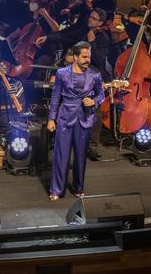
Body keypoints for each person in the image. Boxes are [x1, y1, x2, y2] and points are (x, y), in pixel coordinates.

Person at [47, 41, 104, 201]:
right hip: (65, 117)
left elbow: (101, 94)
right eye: (84, 57)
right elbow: (55, 97)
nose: (88, 60)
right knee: (61, 156)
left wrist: (94, 102)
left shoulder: (95, 75)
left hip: (84, 118)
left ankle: (79, 187)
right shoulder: (62, 73)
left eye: (89, 57)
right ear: (75, 57)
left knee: (80, 157)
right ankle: (57, 190)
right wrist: (52, 118)